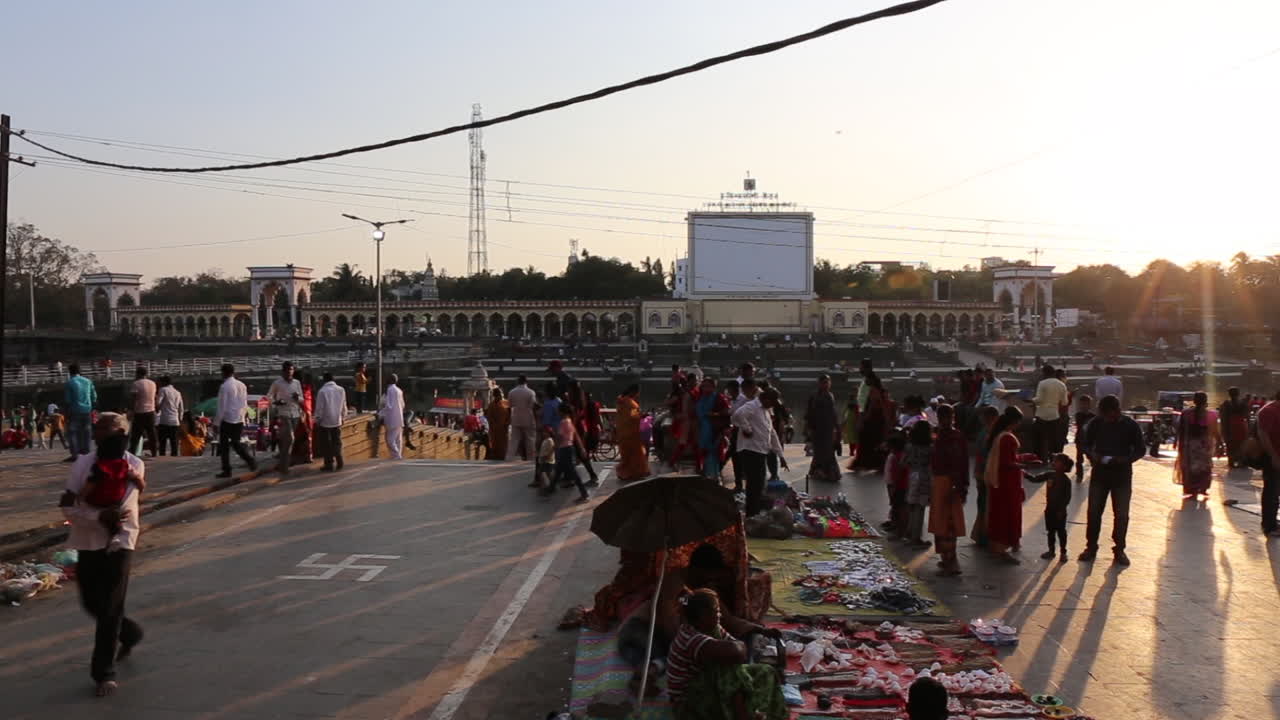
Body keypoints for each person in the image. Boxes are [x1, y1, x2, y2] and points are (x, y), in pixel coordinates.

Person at [59, 413, 145, 697]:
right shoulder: (84, 463)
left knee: (109, 608)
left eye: (102, 429)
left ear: (119, 432)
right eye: (95, 429)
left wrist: (111, 520)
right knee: (92, 603)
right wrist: (98, 517)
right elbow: (68, 505)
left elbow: (127, 503)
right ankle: (129, 632)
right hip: (87, 540)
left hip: (121, 542)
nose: (95, 433)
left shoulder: (135, 464)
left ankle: (103, 674)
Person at [666, 588, 787, 720]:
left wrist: (754, 637)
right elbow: (736, 652)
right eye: (716, 612)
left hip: (708, 686)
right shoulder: (691, 638)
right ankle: (744, 714)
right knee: (727, 667)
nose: (720, 616)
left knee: (766, 671)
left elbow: (738, 647)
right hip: (689, 701)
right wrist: (737, 651)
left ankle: (762, 714)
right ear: (702, 616)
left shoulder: (712, 629)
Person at [1077, 394, 1145, 565]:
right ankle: (1091, 546)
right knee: (1094, 512)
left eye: (1108, 415)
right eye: (1103, 415)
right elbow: (1083, 443)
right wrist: (1093, 455)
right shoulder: (1096, 423)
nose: (1106, 419)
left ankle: (1119, 548)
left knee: (1121, 514)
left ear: (1116, 411)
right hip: (1100, 473)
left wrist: (1125, 459)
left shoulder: (1130, 426)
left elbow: (1140, 449)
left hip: (1121, 474)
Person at [731, 387, 787, 516]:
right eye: (772, 402)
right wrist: (747, 429)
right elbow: (737, 416)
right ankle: (752, 514)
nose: (773, 405)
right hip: (750, 450)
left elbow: (772, 433)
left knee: (759, 484)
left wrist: (781, 456)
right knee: (754, 484)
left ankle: (754, 511)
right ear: (765, 399)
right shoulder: (752, 406)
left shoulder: (766, 411)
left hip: (761, 451)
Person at [983, 406, 1027, 564]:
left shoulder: (999, 436)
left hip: (1000, 481)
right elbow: (1007, 463)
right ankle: (1002, 549)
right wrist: (1024, 465)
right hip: (1007, 482)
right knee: (1007, 513)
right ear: (1014, 422)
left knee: (999, 513)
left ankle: (998, 546)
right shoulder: (1007, 438)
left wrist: (1021, 459)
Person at [929, 404, 969, 575]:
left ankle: (952, 562)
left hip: (950, 482)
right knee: (941, 521)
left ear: (952, 417)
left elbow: (959, 462)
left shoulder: (954, 437)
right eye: (942, 417)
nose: (944, 420)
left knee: (948, 523)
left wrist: (958, 485)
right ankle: (945, 559)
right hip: (940, 481)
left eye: (947, 417)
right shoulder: (941, 435)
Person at [1175, 391, 1220, 500]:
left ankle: (1193, 489)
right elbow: (1215, 431)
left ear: (1194, 401)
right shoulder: (1211, 414)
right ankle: (1203, 488)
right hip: (1206, 445)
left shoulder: (1186, 413)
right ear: (1206, 401)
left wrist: (1177, 443)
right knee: (1205, 467)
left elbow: (1181, 430)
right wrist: (1220, 443)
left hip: (1190, 445)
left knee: (1191, 467)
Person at [214, 364, 257, 477]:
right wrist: (244, 416)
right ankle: (250, 460)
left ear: (224, 373)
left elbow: (221, 406)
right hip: (239, 418)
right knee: (236, 443)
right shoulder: (242, 385)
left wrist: (217, 422)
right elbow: (244, 403)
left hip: (227, 418)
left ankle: (227, 469)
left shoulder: (224, 387)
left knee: (224, 446)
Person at [546, 403, 589, 503]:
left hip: (564, 449)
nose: (557, 412)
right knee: (558, 470)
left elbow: (560, 437)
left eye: (558, 410)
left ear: (561, 411)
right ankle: (550, 489)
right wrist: (582, 448)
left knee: (572, 472)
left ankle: (584, 493)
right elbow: (575, 436)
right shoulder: (570, 421)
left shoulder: (563, 422)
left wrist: (554, 443)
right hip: (569, 448)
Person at [970, 405, 1000, 547]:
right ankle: (985, 535)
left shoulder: (984, 432)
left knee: (982, 503)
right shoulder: (991, 434)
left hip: (981, 473)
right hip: (987, 473)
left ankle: (980, 534)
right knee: (987, 504)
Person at [268, 362, 303, 474]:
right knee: (290, 438)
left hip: (295, 413)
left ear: (293, 371)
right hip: (283, 413)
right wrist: (276, 402)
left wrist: (298, 397)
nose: (289, 372)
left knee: (287, 441)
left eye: (291, 370)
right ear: (283, 371)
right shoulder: (277, 383)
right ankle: (284, 466)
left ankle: (283, 463)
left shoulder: (297, 383)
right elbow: (269, 396)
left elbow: (302, 398)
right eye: (287, 370)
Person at [805, 374, 841, 483]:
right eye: (824, 382)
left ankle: (829, 473)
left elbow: (833, 413)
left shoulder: (830, 395)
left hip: (828, 427)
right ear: (819, 383)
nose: (826, 385)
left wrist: (837, 427)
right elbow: (809, 413)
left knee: (828, 450)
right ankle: (819, 472)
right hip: (817, 427)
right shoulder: (814, 396)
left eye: (828, 382)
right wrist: (808, 428)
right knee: (818, 451)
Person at [903, 420, 933, 549]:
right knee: (920, 508)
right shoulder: (930, 448)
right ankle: (915, 539)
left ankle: (909, 534)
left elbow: (903, 462)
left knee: (912, 506)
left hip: (912, 476)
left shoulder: (909, 446)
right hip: (924, 477)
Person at [694, 377, 730, 481]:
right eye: (704, 386)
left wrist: (715, 414)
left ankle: (714, 477)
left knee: (713, 453)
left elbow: (727, 412)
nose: (706, 388)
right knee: (702, 452)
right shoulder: (699, 397)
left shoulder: (719, 398)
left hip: (714, 430)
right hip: (701, 429)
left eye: (708, 386)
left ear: (714, 387)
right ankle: (705, 475)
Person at [1040, 453, 1074, 561]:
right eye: (1054, 461)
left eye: (1057, 461)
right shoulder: (1050, 475)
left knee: (1061, 532)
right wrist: (1024, 474)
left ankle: (1063, 552)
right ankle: (1051, 551)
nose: (1054, 463)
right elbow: (1036, 478)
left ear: (1064, 467)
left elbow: (1067, 497)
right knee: (1050, 531)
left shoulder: (1066, 481)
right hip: (1049, 509)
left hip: (1060, 511)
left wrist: (1061, 509)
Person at [853, 373, 890, 471]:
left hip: (874, 419)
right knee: (875, 441)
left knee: (869, 441)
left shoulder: (873, 391)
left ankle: (869, 463)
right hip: (877, 419)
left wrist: (864, 419)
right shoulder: (877, 391)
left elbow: (872, 406)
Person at [613, 384, 650, 482]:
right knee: (635, 454)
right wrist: (643, 415)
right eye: (638, 393)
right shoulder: (632, 404)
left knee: (626, 455)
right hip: (631, 434)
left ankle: (626, 472)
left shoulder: (620, 401)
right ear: (634, 392)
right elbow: (634, 418)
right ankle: (633, 472)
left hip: (622, 433)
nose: (638, 395)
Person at [1257, 390, 1280, 538]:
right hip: (1274, 457)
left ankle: (1272, 522)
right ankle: (1269, 525)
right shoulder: (1270, 411)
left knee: (1275, 490)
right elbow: (1263, 434)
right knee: (1272, 490)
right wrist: (1273, 456)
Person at [64, 363, 97, 460]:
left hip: (75, 410)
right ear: (80, 371)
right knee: (86, 431)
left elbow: (68, 400)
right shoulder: (88, 381)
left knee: (72, 432)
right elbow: (94, 397)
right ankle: (86, 452)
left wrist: (66, 412)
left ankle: (75, 454)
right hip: (87, 410)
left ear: (70, 372)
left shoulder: (70, 383)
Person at [314, 372, 346, 472]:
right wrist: (343, 417)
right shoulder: (341, 390)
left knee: (326, 444)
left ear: (324, 380)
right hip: (337, 420)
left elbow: (320, 408)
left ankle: (329, 464)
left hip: (325, 421)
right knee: (337, 441)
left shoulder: (322, 391)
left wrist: (318, 419)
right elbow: (344, 405)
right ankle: (339, 460)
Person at [127, 367, 159, 458]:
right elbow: (154, 397)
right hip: (151, 411)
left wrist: (131, 411)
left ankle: (132, 453)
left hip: (139, 412)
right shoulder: (153, 383)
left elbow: (133, 399)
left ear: (138, 374)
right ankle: (154, 453)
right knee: (151, 433)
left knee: (136, 435)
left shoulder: (136, 384)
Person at [884, 434, 909, 539]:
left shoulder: (895, 457)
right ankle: (897, 527)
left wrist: (893, 487)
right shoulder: (900, 456)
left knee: (898, 508)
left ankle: (899, 531)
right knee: (898, 507)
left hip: (898, 486)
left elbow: (895, 474)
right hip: (899, 485)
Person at [507, 376, 537, 461]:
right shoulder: (531, 392)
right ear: (526, 382)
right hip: (528, 418)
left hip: (515, 417)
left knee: (514, 440)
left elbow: (510, 405)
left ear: (518, 381)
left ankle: (509, 458)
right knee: (530, 440)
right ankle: (531, 459)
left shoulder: (512, 392)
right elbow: (532, 406)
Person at [1219, 387, 1250, 468]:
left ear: (1229, 394)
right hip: (1241, 426)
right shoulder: (1243, 403)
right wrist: (1249, 430)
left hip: (1230, 426)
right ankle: (1242, 462)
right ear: (1238, 393)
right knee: (1242, 444)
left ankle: (1232, 462)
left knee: (1230, 445)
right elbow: (1247, 417)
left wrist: (1223, 430)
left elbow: (1223, 418)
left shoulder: (1226, 404)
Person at [155, 376, 183, 457]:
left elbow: (158, 403)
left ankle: (162, 458)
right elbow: (181, 408)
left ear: (163, 382)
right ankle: (174, 457)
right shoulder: (178, 392)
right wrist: (180, 419)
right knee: (174, 443)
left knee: (162, 443)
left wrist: (157, 408)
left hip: (164, 420)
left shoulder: (163, 390)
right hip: (175, 421)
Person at [380, 374, 406, 459]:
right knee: (398, 439)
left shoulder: (390, 390)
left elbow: (389, 406)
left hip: (392, 418)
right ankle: (398, 455)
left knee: (390, 440)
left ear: (390, 380)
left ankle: (397, 455)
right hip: (399, 417)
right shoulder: (399, 390)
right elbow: (403, 405)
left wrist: (380, 413)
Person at [1073, 395, 1097, 482]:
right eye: (1082, 404)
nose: (1084, 406)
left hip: (1089, 440)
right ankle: (1079, 475)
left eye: (1086, 404)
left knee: (1091, 457)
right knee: (1079, 459)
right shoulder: (1078, 415)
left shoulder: (1093, 416)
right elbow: (1080, 424)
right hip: (1080, 439)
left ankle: (1095, 473)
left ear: (1090, 405)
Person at [485, 387, 511, 461]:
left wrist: (507, 423)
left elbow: (510, 415)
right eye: (498, 394)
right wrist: (494, 424)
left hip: (504, 428)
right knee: (495, 444)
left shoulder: (506, 403)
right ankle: (496, 456)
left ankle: (503, 457)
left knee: (504, 444)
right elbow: (489, 417)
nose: (500, 396)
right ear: (495, 395)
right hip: (494, 429)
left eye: (501, 394)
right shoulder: (491, 405)